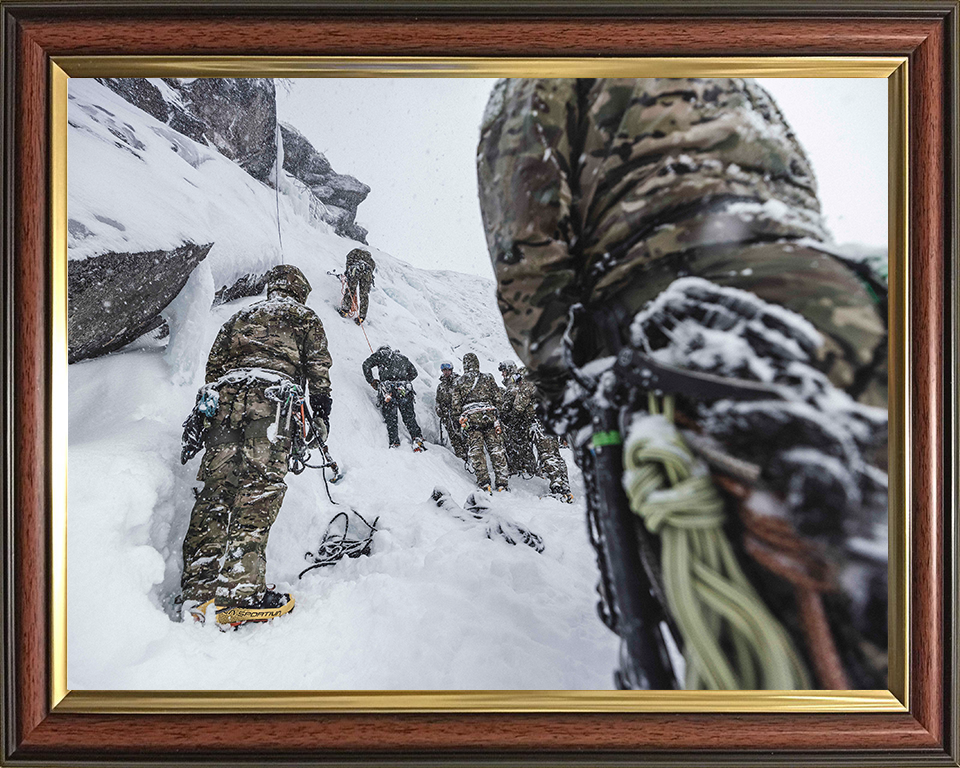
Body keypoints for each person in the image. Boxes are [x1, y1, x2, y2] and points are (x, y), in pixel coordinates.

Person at [477, 77, 888, 690]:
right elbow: (793, 175)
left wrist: (564, 381)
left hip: (673, 318)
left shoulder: (543, 68)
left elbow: (526, 238)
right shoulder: (722, 59)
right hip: (839, 299)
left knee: (767, 621)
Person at [179, 264, 332, 626]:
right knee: (258, 490)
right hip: (272, 404)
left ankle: (198, 591)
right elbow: (319, 373)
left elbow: (214, 368)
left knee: (216, 491)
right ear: (299, 290)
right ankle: (240, 592)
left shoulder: (241, 316)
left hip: (225, 402)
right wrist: (321, 416)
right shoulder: (304, 317)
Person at [499, 361, 572, 501]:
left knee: (547, 455)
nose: (518, 383)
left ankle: (559, 489)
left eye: (518, 380)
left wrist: (511, 419)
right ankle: (565, 486)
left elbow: (519, 405)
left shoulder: (527, 383)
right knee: (555, 454)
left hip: (540, 422)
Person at [451, 353, 510, 493]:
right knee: (496, 450)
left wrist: (458, 420)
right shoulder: (488, 378)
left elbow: (455, 406)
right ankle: (502, 482)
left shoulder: (459, 382)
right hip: (489, 418)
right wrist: (497, 414)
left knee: (477, 452)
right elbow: (498, 399)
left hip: (471, 421)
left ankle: (484, 482)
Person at [362, 344, 425, 451]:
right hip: (404, 389)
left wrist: (372, 381)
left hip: (388, 391)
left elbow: (366, 364)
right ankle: (416, 437)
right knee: (409, 417)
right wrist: (403, 380)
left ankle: (394, 441)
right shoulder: (402, 357)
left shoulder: (381, 354)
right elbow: (414, 373)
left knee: (391, 417)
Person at [435, 361, 467, 460]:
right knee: (454, 438)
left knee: (464, 435)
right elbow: (438, 401)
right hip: (447, 417)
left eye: (448, 370)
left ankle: (468, 455)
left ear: (451, 370)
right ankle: (461, 457)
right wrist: (439, 410)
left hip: (460, 415)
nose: (446, 372)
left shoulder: (459, 382)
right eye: (444, 370)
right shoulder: (441, 387)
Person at [337, 247, 377, 325]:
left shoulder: (354, 253)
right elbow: (371, 270)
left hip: (356, 270)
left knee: (350, 289)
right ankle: (361, 317)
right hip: (367, 273)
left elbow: (349, 263)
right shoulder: (371, 261)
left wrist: (348, 273)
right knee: (364, 295)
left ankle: (345, 310)